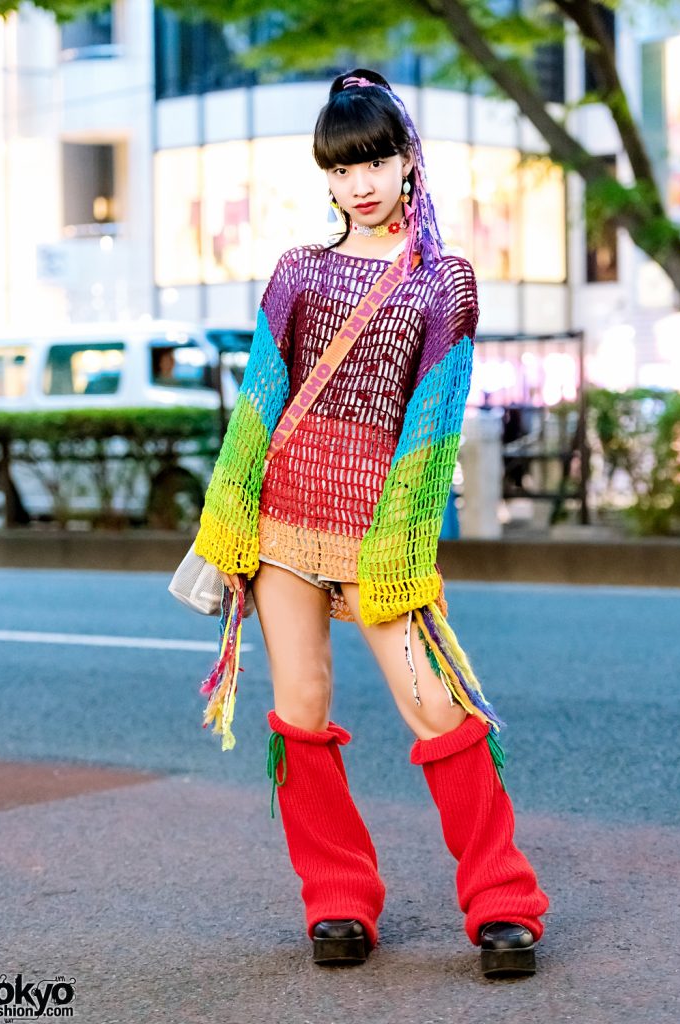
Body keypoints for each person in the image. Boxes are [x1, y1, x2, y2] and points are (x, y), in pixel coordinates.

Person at [192, 68, 549, 977]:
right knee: (300, 714)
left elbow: (433, 427)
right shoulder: (298, 273)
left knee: (439, 708)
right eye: (344, 165)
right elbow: (258, 404)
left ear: (406, 161)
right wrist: (229, 523)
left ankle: (505, 901)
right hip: (282, 523)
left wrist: (400, 544)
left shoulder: (443, 283)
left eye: (377, 159)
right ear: (326, 175)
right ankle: (339, 901)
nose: (361, 181)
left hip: (379, 526)